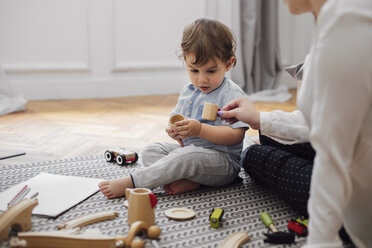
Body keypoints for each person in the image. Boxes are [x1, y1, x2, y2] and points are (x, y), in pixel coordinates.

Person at [219, 0, 372, 247]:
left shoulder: (348, 20)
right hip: (355, 150)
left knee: (254, 156)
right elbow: (327, 119)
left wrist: (321, 241)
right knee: (265, 138)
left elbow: (333, 159)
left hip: (361, 207)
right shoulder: (334, 18)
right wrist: (259, 119)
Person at [99, 18, 249, 197]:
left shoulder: (231, 94)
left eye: (210, 71)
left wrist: (200, 130)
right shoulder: (189, 90)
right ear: (185, 60)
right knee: (151, 151)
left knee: (187, 157)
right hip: (189, 155)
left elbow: (236, 136)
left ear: (228, 64)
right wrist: (174, 131)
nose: (202, 79)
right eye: (194, 70)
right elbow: (176, 118)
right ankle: (191, 181)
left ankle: (134, 182)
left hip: (223, 163)